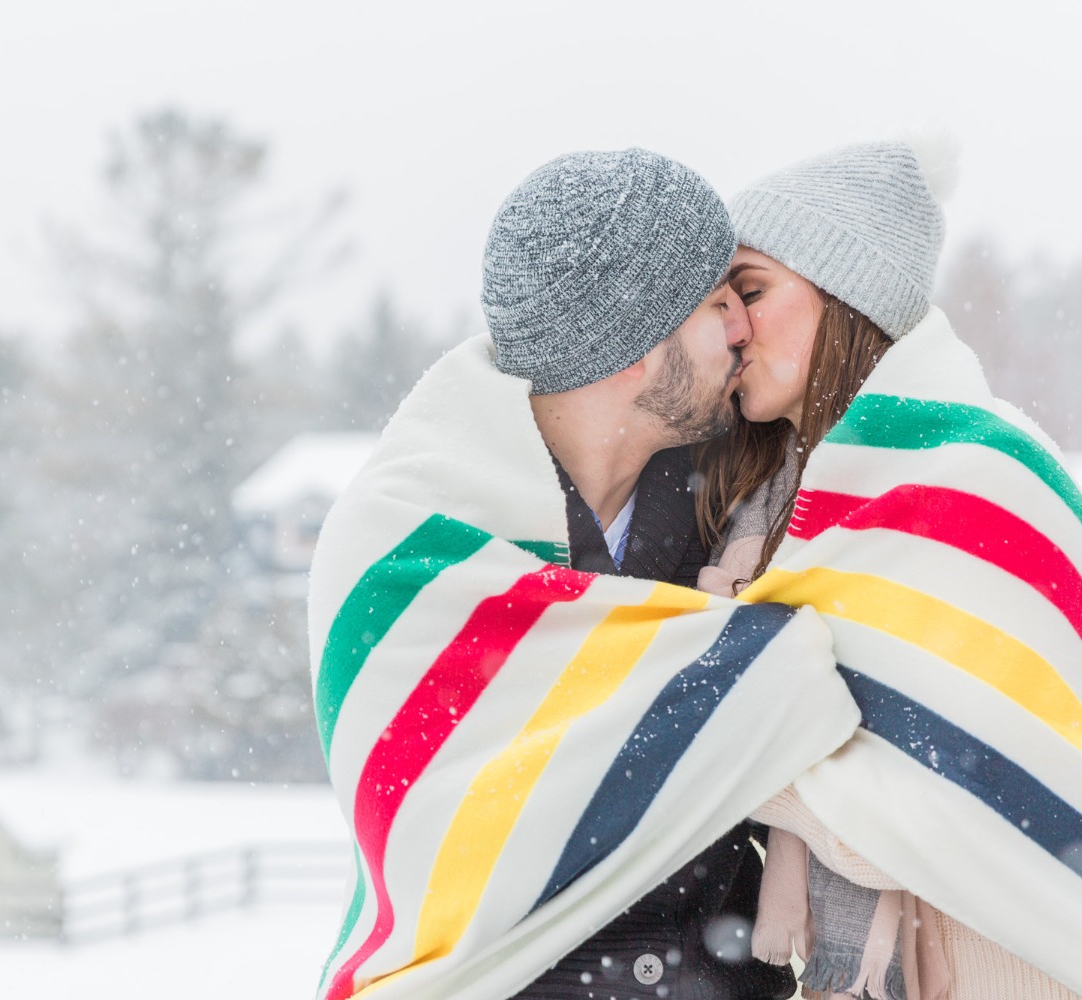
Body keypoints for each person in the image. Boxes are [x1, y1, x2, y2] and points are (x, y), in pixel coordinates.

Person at [692, 139, 1082, 999]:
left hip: (1028, 959)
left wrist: (721, 732)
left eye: (751, 290)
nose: (732, 326)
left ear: (845, 298)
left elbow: (953, 800)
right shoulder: (769, 515)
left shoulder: (976, 479)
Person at [307, 148, 860, 1000]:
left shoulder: (736, 502)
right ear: (637, 348)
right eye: (719, 304)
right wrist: (743, 663)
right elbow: (441, 827)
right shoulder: (419, 543)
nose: (743, 328)